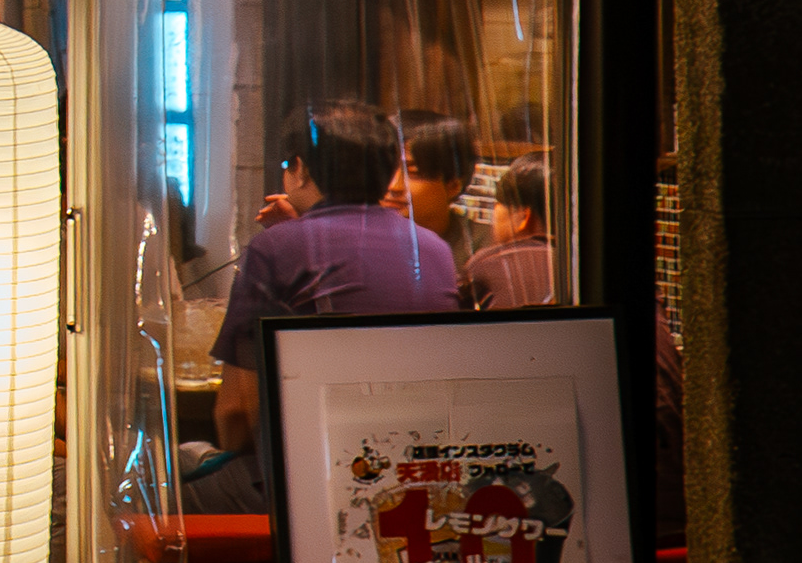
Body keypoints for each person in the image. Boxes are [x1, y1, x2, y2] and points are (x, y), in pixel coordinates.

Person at [187, 102, 463, 518]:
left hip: (307, 485)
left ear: (298, 169)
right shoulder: (434, 250)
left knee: (149, 497)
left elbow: (236, 413)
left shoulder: (276, 247)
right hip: (416, 479)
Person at [462, 153, 558, 311]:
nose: (494, 212)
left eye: (498, 204)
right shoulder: (578, 264)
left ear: (524, 218)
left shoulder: (486, 264)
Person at [398, 112, 480, 261]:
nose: (393, 186)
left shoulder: (485, 251)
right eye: (384, 169)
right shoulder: (356, 245)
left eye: (413, 173)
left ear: (453, 185)